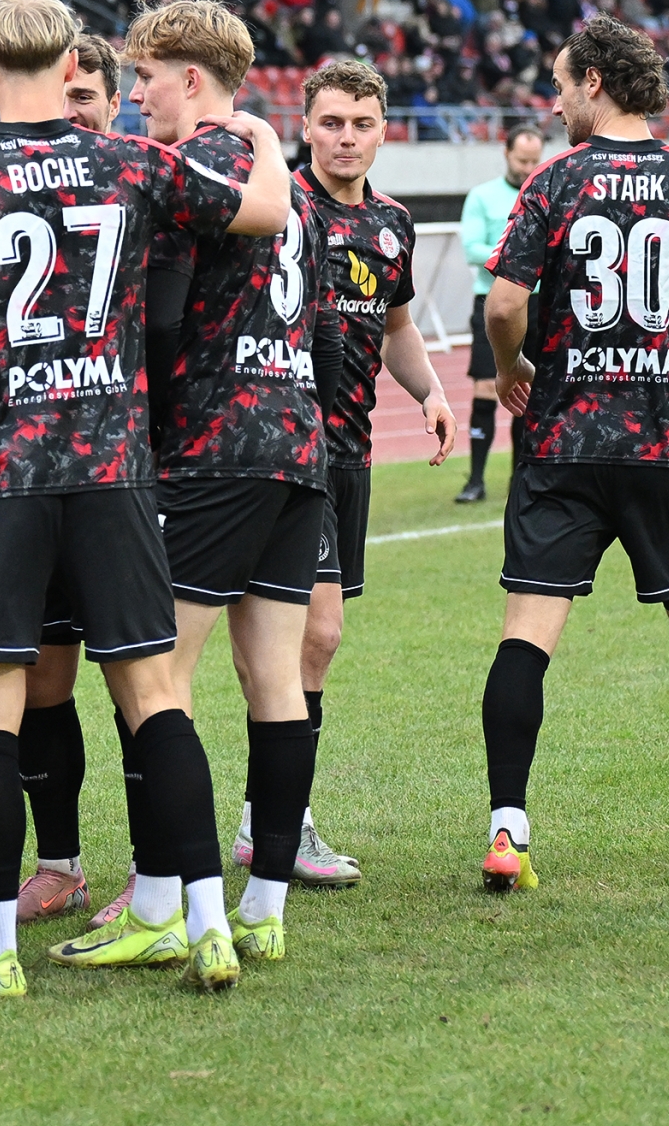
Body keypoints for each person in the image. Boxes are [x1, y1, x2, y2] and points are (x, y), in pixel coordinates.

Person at [0, 0, 293, 997]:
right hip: (113, 471)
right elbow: (267, 211)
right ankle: (208, 925)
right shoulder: (131, 161)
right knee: (156, 698)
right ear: (68, 64)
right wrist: (266, 136)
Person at [477, 15, 669, 893]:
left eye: (560, 83)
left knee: (526, 634)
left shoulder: (553, 180)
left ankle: (507, 831)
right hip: (664, 442)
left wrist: (512, 367)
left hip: (562, 443)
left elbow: (503, 306)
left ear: (595, 82)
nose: (554, 101)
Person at [109, 0, 345, 963]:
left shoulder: (191, 172)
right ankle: (266, 905)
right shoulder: (286, 182)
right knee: (275, 681)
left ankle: (165, 904)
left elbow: (164, 320)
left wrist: (143, 428)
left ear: (192, 79)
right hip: (296, 442)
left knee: (155, 680)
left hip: (212, 449)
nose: (135, 96)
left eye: (145, 77)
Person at [266, 61, 457, 886]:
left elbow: (398, 323)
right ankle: (281, 822)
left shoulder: (392, 222)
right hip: (285, 452)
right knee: (315, 635)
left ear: (384, 131)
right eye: (333, 122)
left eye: (362, 123)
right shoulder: (277, 208)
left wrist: (432, 391)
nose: (346, 138)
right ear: (306, 125)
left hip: (351, 455)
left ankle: (267, 816)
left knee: (309, 645)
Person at [455, 126, 546, 504]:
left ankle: (520, 479)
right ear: (506, 154)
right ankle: (475, 480)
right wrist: (522, 257)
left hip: (540, 303)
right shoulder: (483, 196)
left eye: (534, 161)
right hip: (491, 302)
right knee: (484, 388)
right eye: (522, 160)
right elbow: (473, 248)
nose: (527, 167)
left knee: (532, 392)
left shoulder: (545, 195)